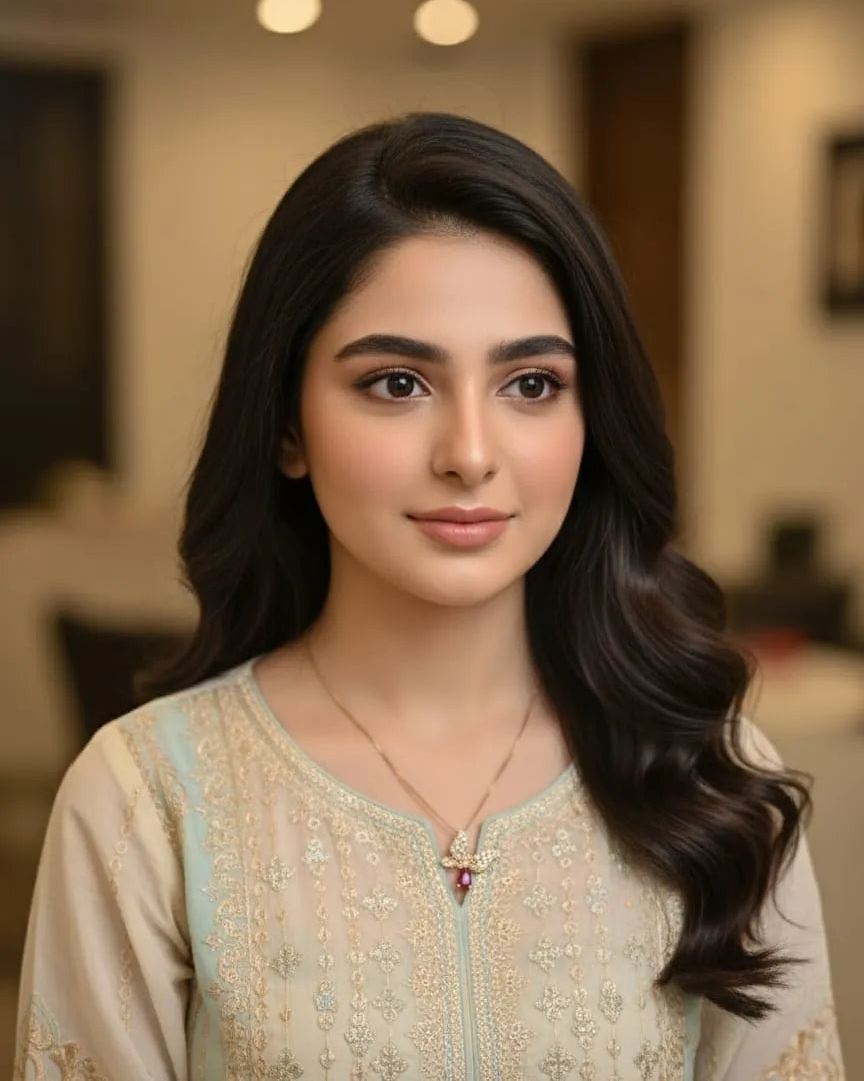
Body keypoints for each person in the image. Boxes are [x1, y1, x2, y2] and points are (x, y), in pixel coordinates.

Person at [14, 112, 844, 1080]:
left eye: (531, 383)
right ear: (287, 425)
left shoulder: (715, 780)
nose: (471, 455)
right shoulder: (144, 805)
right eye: (399, 382)